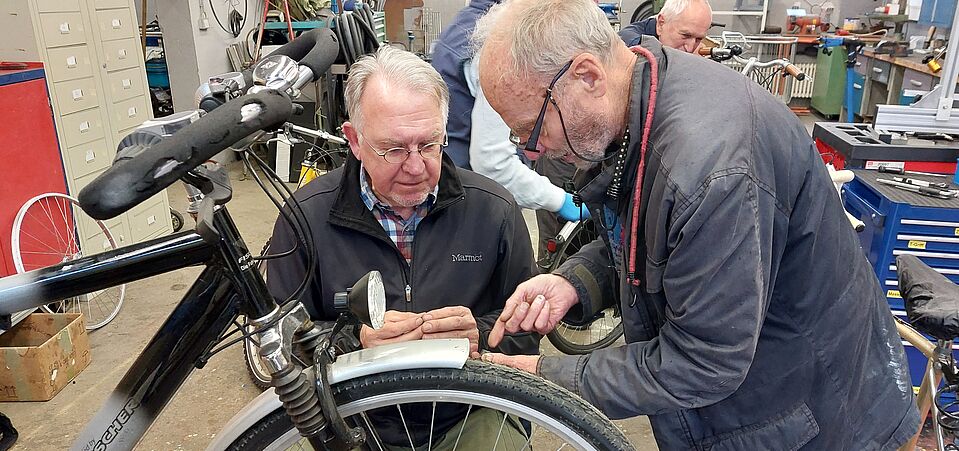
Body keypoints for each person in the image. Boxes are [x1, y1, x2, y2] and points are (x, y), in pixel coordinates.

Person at [471, 0, 921, 449]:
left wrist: (546, 377)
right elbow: (651, 239)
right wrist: (574, 282)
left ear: (587, 76)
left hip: (818, 419)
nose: (531, 152)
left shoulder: (711, 171)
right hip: (766, 400)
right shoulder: (639, 95)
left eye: (531, 129)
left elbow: (704, 360)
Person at [267, 45, 539, 449]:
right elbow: (281, 343)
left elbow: (527, 332)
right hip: (356, 421)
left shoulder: (493, 210)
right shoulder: (305, 218)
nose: (415, 166)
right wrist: (355, 344)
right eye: (394, 149)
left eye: (429, 145)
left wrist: (480, 337)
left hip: (467, 412)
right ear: (354, 140)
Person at [431, 0, 589, 250]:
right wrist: (560, 200)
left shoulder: (465, 25)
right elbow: (493, 162)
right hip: (470, 202)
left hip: (451, 189)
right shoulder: (502, 45)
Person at [620, 0, 712, 52]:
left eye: (698, 39)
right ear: (661, 24)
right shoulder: (627, 40)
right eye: (686, 35)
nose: (690, 49)